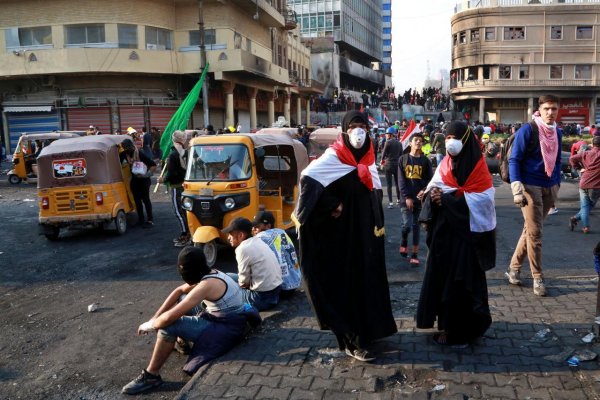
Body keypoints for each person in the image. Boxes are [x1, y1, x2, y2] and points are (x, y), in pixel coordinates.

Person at [293, 110, 397, 362]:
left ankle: (369, 332)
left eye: (362, 126)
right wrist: (331, 204)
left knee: (367, 285)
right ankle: (352, 340)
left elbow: (373, 193)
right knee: (346, 287)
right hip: (341, 241)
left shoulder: (369, 158)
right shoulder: (333, 158)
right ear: (344, 130)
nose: (358, 131)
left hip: (367, 239)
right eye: (353, 126)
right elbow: (308, 182)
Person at [122, 247, 247, 395]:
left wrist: (150, 325)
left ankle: (151, 376)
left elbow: (168, 319)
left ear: (193, 270)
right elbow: (178, 291)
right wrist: (155, 317)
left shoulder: (206, 285)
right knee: (182, 300)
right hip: (223, 317)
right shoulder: (210, 273)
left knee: (168, 326)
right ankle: (181, 342)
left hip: (226, 327)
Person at [416, 120, 495, 346]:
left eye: (455, 138)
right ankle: (446, 326)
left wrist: (449, 200)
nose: (451, 142)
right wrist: (429, 194)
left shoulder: (478, 168)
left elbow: (484, 201)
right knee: (442, 279)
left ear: (467, 140)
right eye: (448, 137)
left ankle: (464, 329)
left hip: (466, 238)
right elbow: (436, 185)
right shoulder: (445, 165)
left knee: (461, 282)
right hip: (444, 235)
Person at [506, 94, 563, 296]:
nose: (550, 112)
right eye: (547, 108)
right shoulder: (528, 130)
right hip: (530, 186)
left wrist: (557, 182)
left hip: (550, 186)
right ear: (540, 109)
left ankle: (513, 269)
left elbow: (556, 160)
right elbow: (515, 159)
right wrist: (516, 186)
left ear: (558, 110)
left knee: (529, 231)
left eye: (554, 109)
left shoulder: (558, 132)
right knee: (536, 234)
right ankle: (537, 277)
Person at [223, 217, 283, 311]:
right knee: (227, 276)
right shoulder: (257, 241)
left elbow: (243, 283)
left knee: (225, 286)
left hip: (261, 299)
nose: (228, 238)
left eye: (230, 234)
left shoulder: (242, 249)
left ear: (241, 235)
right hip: (275, 293)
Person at [398, 133, 433, 266]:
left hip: (420, 200)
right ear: (410, 143)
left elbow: (430, 180)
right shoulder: (403, 159)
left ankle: (414, 254)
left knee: (416, 227)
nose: (418, 142)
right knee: (406, 226)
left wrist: (424, 190)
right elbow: (401, 181)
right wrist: (407, 197)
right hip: (405, 199)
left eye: (421, 141)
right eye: (416, 140)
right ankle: (404, 240)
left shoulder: (426, 161)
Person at [251, 211, 301, 296]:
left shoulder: (261, 237)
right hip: (295, 283)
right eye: (253, 227)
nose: (253, 229)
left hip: (279, 289)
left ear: (268, 226)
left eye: (257, 227)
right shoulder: (282, 232)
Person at [160, 130, 192, 247]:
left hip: (176, 186)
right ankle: (187, 233)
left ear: (174, 140)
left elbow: (171, 173)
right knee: (185, 211)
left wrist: (163, 179)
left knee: (178, 211)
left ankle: (185, 235)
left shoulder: (173, 154)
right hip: (185, 186)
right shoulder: (186, 152)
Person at [121, 139, 157, 227]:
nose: (128, 149)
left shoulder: (139, 153)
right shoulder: (124, 154)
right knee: (137, 200)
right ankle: (141, 219)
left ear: (132, 146)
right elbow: (117, 159)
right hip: (134, 180)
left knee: (145, 199)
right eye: (125, 148)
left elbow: (153, 164)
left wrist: (146, 175)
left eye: (128, 147)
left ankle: (150, 220)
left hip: (144, 180)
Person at [569, 136, 600, 234]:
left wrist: (578, 168)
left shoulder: (585, 153)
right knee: (588, 206)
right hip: (596, 185)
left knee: (585, 206)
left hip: (584, 182)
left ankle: (575, 218)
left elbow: (572, 158)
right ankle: (585, 226)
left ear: (592, 144)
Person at [380, 126, 403, 208]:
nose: (386, 135)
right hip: (397, 165)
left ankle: (390, 203)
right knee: (397, 183)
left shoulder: (388, 142)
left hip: (388, 165)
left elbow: (383, 154)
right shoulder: (399, 143)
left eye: (387, 134)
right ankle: (398, 200)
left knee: (389, 184)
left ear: (390, 135)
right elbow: (401, 155)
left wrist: (381, 160)